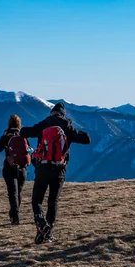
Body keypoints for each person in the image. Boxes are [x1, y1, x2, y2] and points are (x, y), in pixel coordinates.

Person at [20, 102, 91, 244]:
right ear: (64, 114)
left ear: (51, 112)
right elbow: (86, 139)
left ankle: (41, 224)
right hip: (60, 170)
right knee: (53, 201)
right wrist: (76, 131)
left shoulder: (44, 124)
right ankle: (48, 232)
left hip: (43, 168)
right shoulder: (67, 127)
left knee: (37, 200)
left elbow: (24, 132)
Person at [0, 114, 30, 225]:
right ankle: (14, 213)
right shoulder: (22, 135)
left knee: (12, 193)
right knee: (18, 192)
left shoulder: (6, 135)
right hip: (22, 168)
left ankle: (15, 217)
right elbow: (28, 148)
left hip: (9, 167)